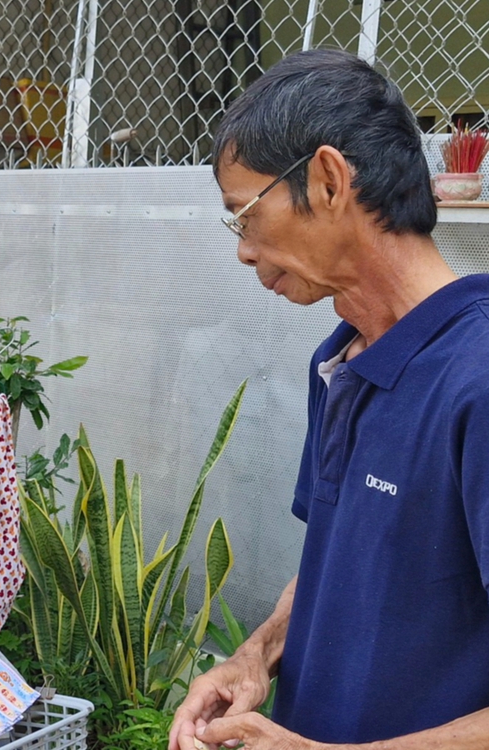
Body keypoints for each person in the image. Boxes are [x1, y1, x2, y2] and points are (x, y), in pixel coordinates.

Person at [169, 48, 489, 750]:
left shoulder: (477, 378)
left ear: (328, 181)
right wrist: (256, 656)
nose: (242, 250)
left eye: (244, 214)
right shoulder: (340, 361)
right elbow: (338, 567)